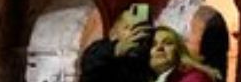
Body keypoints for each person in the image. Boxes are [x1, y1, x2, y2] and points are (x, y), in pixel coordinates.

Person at [80, 18, 224, 82]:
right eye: (153, 44)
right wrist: (115, 49)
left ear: (179, 52)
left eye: (168, 43)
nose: (159, 48)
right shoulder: (144, 76)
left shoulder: (193, 78)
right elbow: (91, 71)